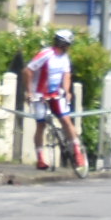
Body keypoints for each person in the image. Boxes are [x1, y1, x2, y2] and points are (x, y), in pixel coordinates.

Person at [27, 31, 83, 171]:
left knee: (66, 120)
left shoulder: (64, 57)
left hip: (56, 94)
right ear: (63, 44)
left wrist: (67, 91)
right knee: (41, 125)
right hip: (40, 95)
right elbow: (27, 70)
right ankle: (40, 158)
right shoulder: (46, 54)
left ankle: (77, 151)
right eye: (68, 45)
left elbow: (66, 75)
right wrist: (29, 92)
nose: (69, 47)